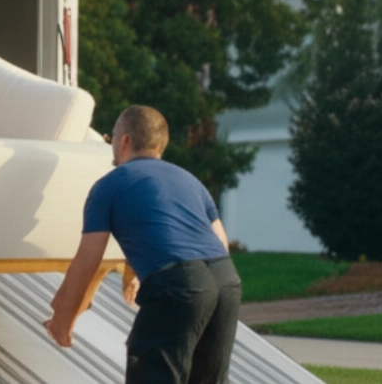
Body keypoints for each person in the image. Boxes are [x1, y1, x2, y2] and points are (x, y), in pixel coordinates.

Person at [45, 105, 240, 384]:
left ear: (124, 140)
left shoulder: (109, 186)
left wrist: (63, 321)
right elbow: (218, 242)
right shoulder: (190, 180)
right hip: (225, 282)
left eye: (111, 136)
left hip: (179, 286)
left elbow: (88, 260)